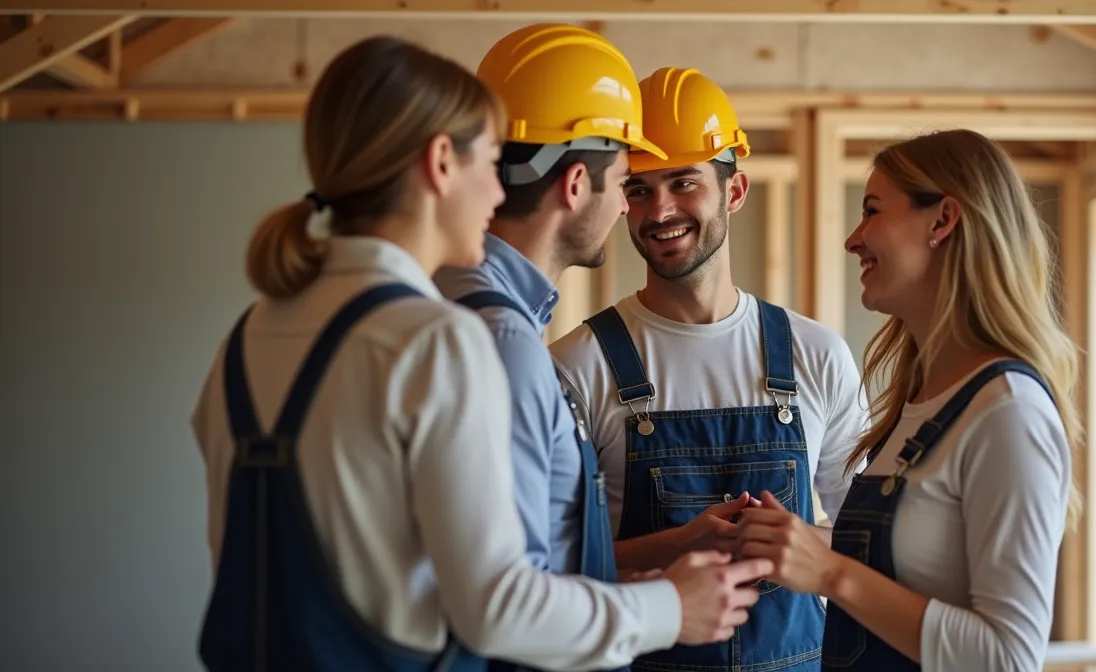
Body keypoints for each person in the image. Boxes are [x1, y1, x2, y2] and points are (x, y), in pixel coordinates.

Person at [189, 36, 773, 672]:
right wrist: (668, 608)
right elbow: (494, 608)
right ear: (443, 163)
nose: (498, 192)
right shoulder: (439, 341)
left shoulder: (248, 336)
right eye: (489, 160)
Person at [434, 23, 736, 672]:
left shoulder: (476, 314)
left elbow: (522, 556)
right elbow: (499, 606)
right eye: (628, 180)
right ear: (576, 185)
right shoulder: (505, 343)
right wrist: (666, 605)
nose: (643, 208)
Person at [549, 66, 869, 672]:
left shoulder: (817, 355)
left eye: (683, 182)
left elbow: (873, 541)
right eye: (638, 189)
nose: (659, 210)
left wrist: (791, 546)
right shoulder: (576, 366)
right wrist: (680, 544)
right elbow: (554, 564)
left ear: (735, 190)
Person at [735, 128, 1081, 672]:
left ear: (942, 220)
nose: (853, 239)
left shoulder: (1008, 413)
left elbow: (1008, 657)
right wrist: (798, 543)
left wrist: (830, 573)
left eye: (872, 211)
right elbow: (920, 561)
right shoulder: (922, 404)